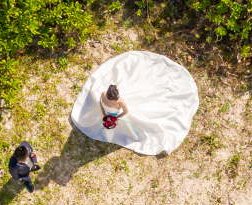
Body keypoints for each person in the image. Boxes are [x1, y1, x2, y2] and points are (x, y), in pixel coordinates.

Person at [70, 51, 199, 155]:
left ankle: (110, 133)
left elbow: (125, 111)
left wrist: (116, 118)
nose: (112, 101)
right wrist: (104, 112)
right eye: (111, 99)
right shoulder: (103, 95)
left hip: (115, 117)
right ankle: (108, 133)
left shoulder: (121, 102)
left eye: (114, 100)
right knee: (107, 128)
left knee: (116, 128)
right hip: (108, 115)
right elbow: (100, 101)